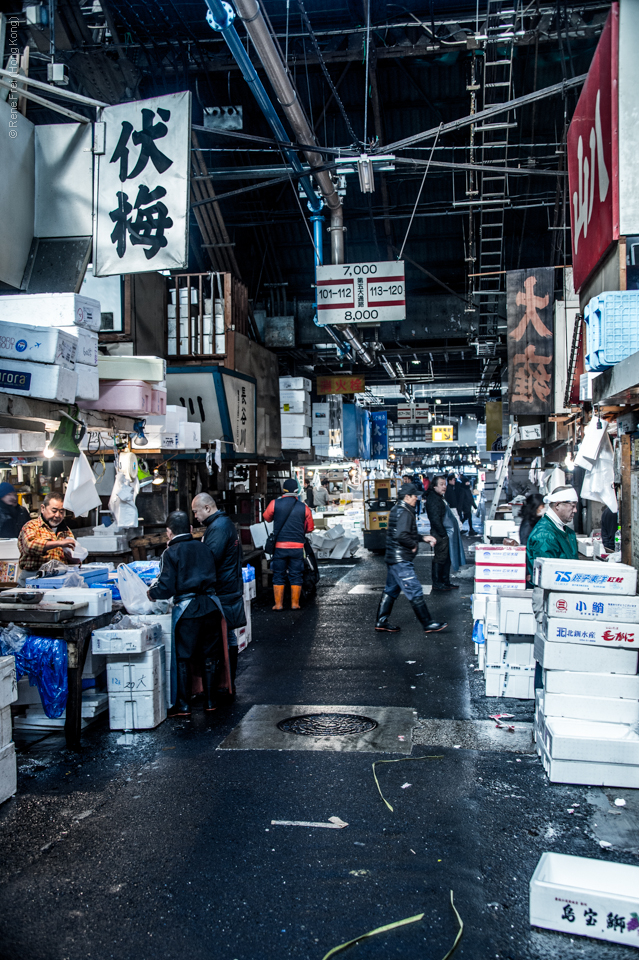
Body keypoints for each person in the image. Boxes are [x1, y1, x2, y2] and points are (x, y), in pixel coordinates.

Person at [148, 510, 223, 717]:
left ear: (168, 532)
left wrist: (151, 593)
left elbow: (165, 587)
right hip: (211, 606)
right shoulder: (204, 548)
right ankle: (210, 701)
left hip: (188, 610)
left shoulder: (170, 553)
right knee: (209, 655)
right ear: (190, 529)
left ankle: (183, 705)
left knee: (183, 657)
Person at [192, 493, 245, 697]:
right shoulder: (220, 525)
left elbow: (210, 558)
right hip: (227, 586)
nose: (195, 516)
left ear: (207, 508)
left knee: (225, 636)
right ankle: (225, 683)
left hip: (223, 589)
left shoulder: (219, 528)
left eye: (196, 511)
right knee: (227, 635)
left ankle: (225, 684)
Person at [375, 483, 447, 634]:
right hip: (400, 560)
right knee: (414, 589)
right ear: (407, 497)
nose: (416, 498)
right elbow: (401, 535)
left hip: (394, 557)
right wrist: (413, 544)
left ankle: (381, 621)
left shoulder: (399, 509)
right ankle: (428, 623)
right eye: (414, 496)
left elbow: (405, 532)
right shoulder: (404, 511)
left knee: (391, 590)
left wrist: (422, 538)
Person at [263, 478, 314, 610]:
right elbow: (310, 528)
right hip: (297, 548)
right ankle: (295, 604)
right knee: (296, 574)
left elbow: (266, 517)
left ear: (283, 490)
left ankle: (278, 605)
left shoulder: (275, 503)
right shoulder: (304, 508)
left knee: (278, 574)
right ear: (297, 490)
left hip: (280, 547)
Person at [17, 493, 77, 586]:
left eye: (61, 512)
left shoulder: (66, 530)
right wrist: (59, 543)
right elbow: (30, 546)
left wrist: (75, 559)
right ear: (43, 508)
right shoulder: (31, 526)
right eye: (54, 511)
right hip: (32, 577)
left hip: (58, 578)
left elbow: (73, 558)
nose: (58, 515)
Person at [526, 485, 579, 582]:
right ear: (557, 505)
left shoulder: (567, 532)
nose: (575, 510)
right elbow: (547, 578)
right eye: (573, 506)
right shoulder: (544, 536)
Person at [425, 475, 459, 591]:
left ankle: (445, 581)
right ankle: (437, 582)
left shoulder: (439, 497)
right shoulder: (433, 499)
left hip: (444, 533)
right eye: (441, 484)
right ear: (434, 486)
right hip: (439, 534)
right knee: (440, 558)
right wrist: (443, 534)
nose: (444, 487)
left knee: (446, 558)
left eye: (445, 484)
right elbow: (435, 519)